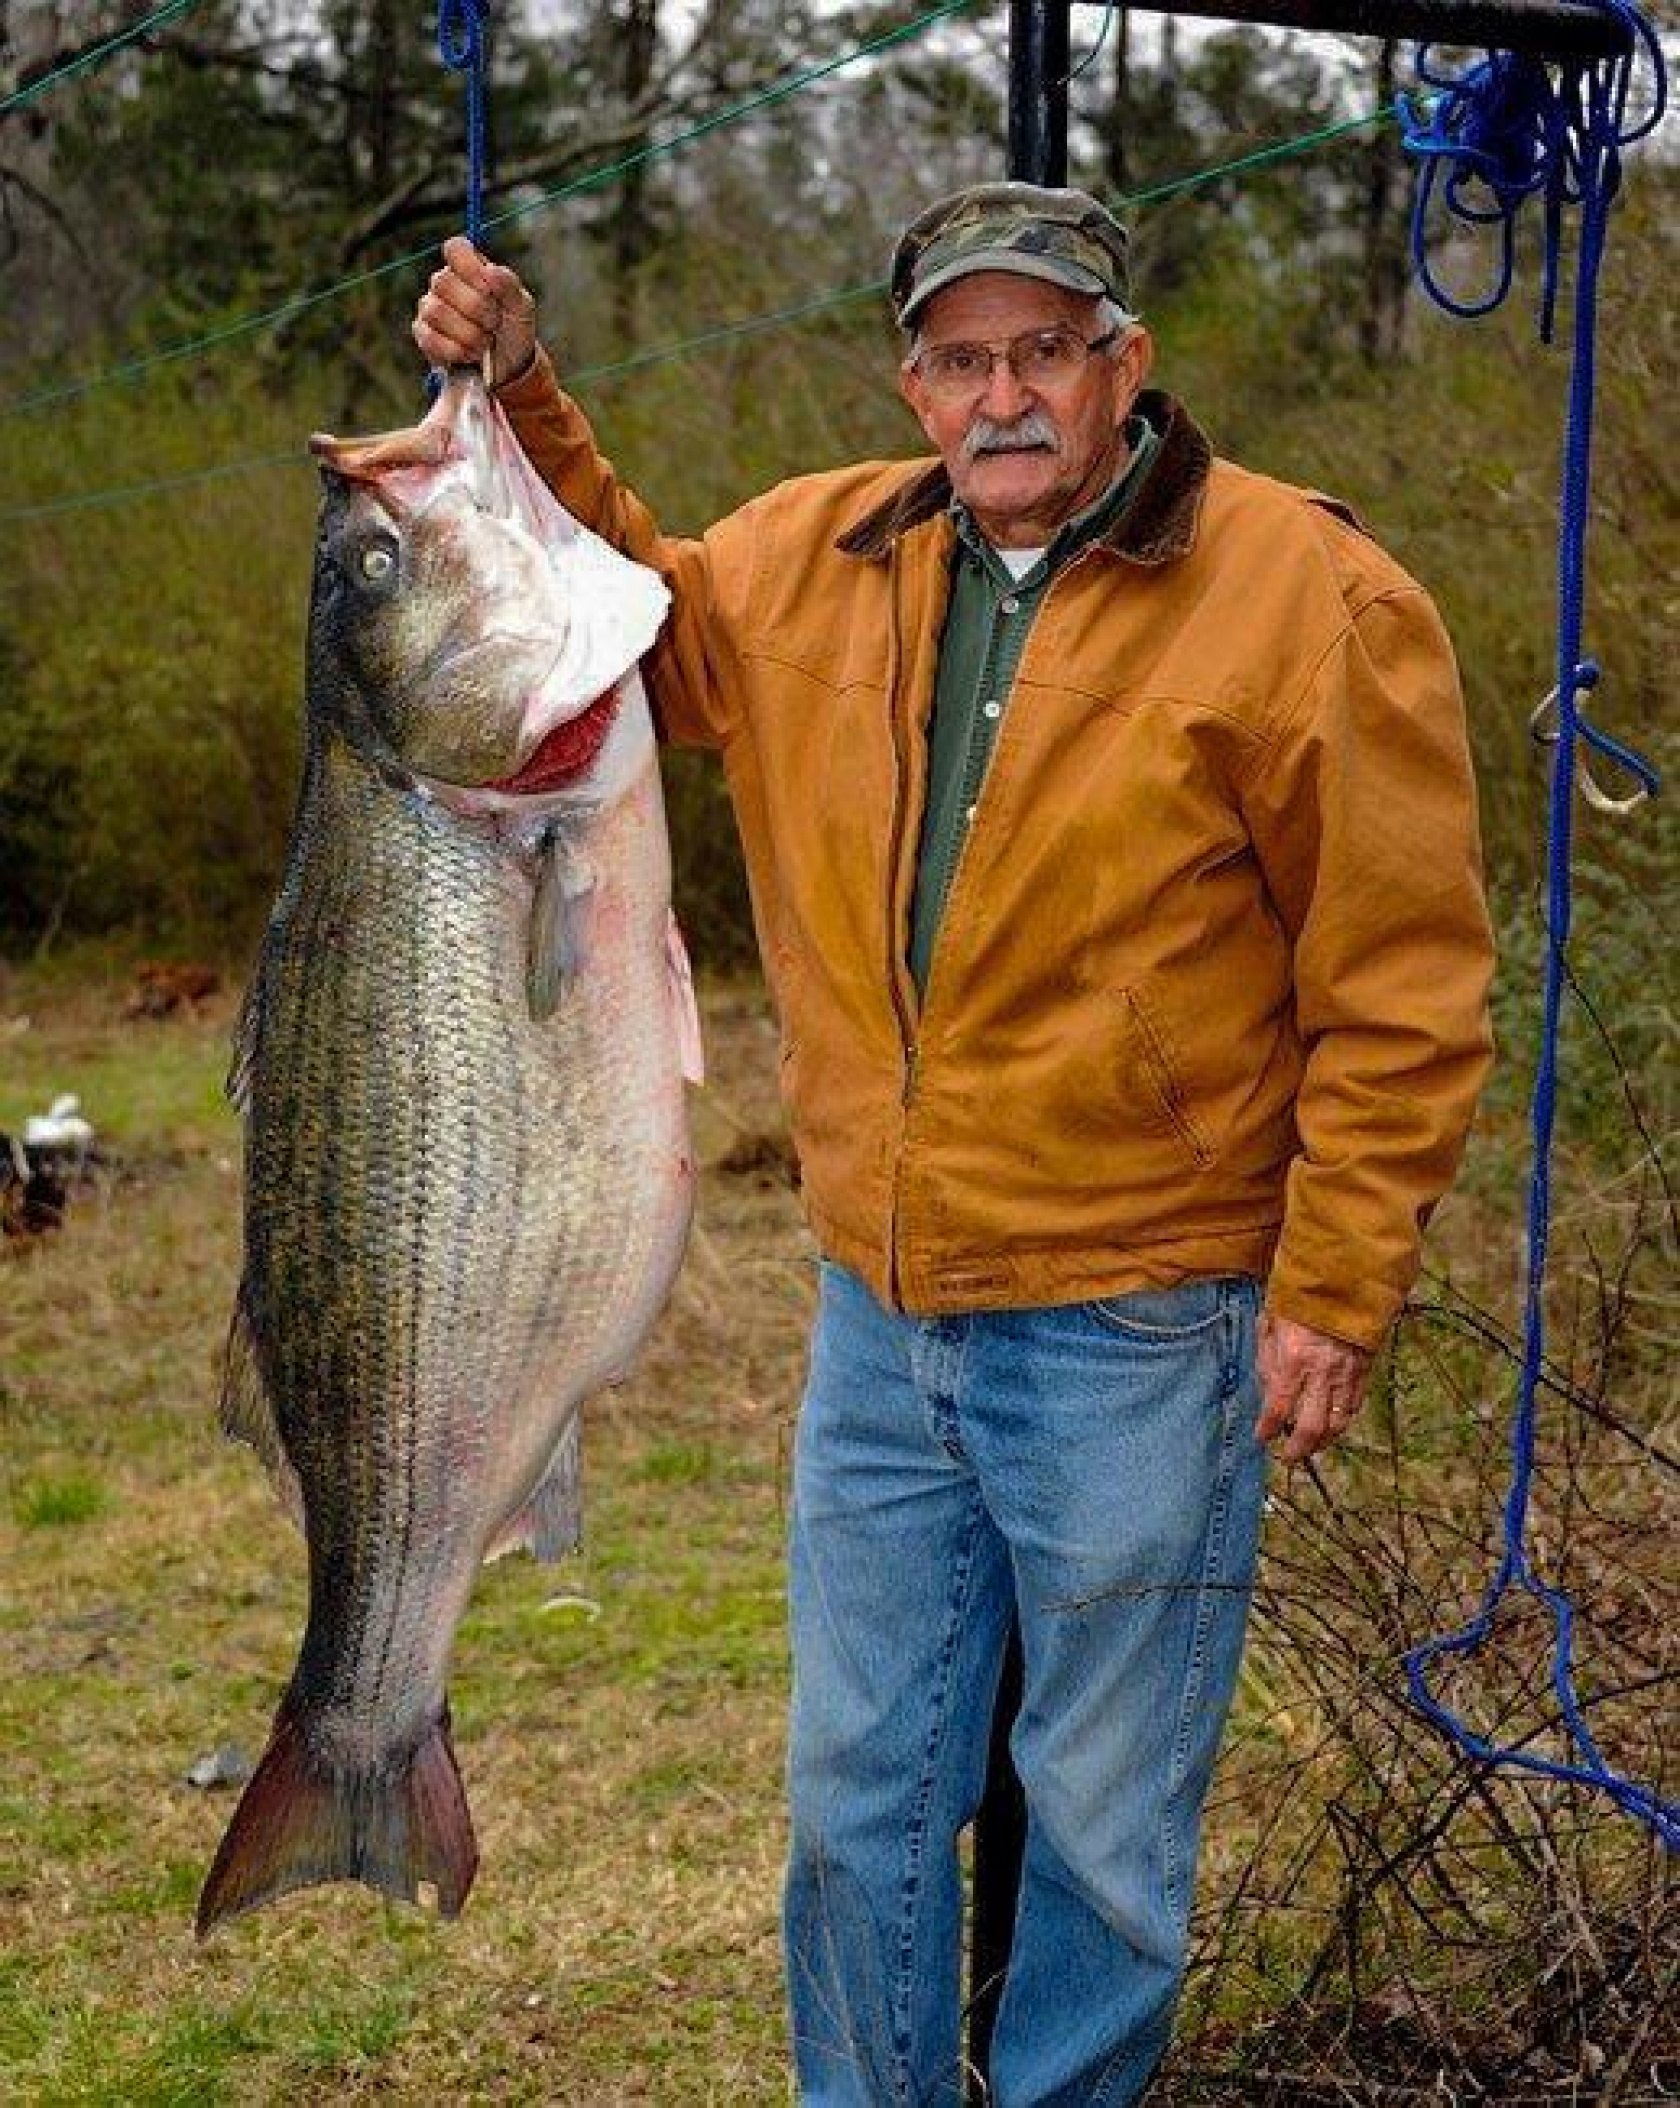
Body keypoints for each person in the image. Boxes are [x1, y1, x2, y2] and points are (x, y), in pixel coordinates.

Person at [413, 183, 1495, 2106]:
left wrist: (1334, 1283)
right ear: (913, 383)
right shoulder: (815, 554)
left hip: (1143, 1323)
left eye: (1045, 350)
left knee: (1101, 1830)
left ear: (1123, 366)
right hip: (880, 1318)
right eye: (962, 356)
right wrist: (523, 393)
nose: (1005, 394)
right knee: (858, 1798)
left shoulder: (1313, 596)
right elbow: (618, 630)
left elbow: (1403, 978)